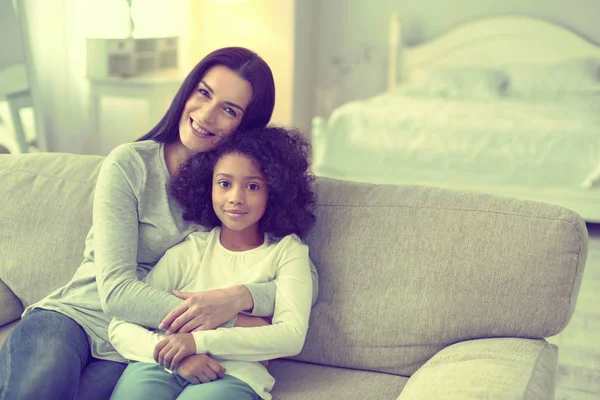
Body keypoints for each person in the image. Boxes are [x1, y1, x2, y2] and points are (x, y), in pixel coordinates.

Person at [0, 47, 318, 400]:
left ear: (246, 127)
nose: (207, 115)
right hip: (75, 318)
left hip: (140, 344)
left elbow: (305, 278)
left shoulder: (234, 189)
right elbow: (116, 290)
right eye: (204, 93)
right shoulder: (130, 165)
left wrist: (238, 296)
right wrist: (224, 318)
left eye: (229, 110)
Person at [108, 126, 315, 400]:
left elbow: (290, 336)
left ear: (274, 192)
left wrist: (196, 341)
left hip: (235, 374)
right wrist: (178, 356)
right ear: (209, 186)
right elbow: (120, 324)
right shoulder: (190, 250)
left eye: (252, 186)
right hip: (162, 365)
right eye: (224, 183)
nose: (235, 198)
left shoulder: (288, 252)